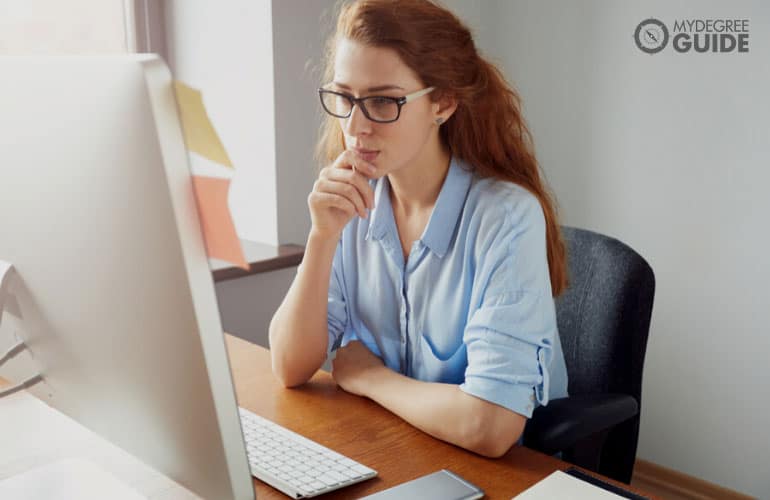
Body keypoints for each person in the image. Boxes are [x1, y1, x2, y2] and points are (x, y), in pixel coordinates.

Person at [269, 0, 568, 458]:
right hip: (396, 449)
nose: (355, 126)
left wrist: (370, 378)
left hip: (495, 475)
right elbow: (290, 365)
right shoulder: (351, 202)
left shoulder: (505, 219)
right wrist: (321, 237)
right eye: (345, 98)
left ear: (443, 103)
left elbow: (489, 425)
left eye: (383, 101)